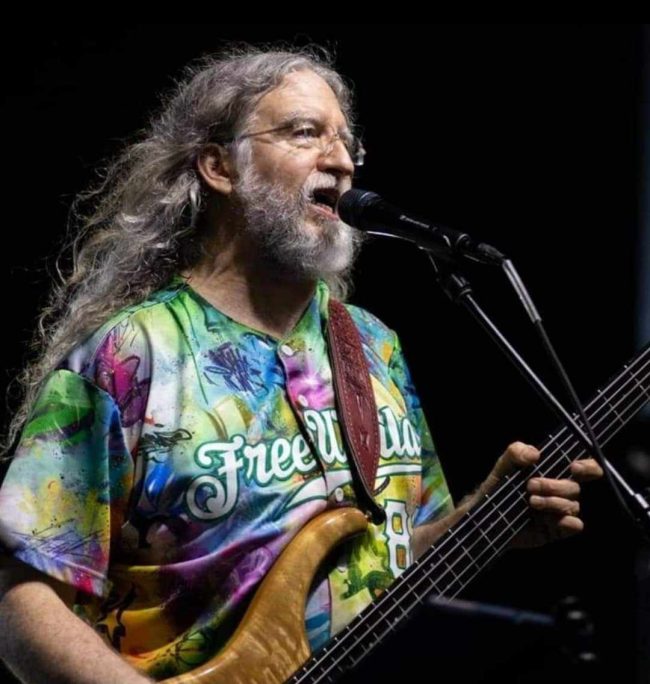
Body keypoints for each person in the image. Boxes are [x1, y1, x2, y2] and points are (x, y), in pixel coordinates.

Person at [0, 46, 602, 683]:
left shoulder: (373, 346)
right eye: (305, 133)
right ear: (219, 167)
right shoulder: (131, 354)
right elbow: (19, 598)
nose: (341, 162)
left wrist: (484, 521)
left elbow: (390, 562)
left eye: (347, 142)